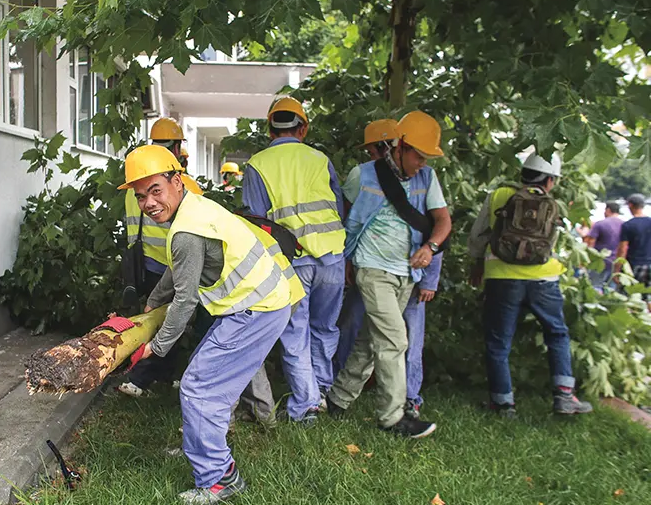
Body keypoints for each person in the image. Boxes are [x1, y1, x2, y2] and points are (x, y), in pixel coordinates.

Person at [120, 145, 298, 505]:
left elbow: (185, 300)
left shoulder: (185, 230)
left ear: (177, 180)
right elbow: (178, 269)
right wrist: (154, 302)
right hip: (255, 303)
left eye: (156, 190)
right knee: (205, 384)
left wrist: (158, 346)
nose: (149, 203)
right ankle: (201, 449)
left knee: (200, 388)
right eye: (140, 197)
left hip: (257, 308)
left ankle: (218, 480)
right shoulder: (193, 209)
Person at [326, 111, 451, 438]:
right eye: (418, 156)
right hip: (372, 268)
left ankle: (337, 400)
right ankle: (393, 417)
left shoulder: (428, 178)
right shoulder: (363, 175)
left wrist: (432, 248)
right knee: (395, 339)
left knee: (370, 341)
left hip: (406, 274)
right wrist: (348, 261)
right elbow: (345, 219)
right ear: (400, 146)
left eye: (427, 157)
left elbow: (443, 221)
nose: (421, 163)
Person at [243, 96, 346, 424]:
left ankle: (307, 406)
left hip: (292, 263)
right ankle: (323, 391)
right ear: (303, 127)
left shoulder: (258, 164)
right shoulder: (320, 158)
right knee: (325, 327)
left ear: (269, 128)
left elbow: (256, 223)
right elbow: (339, 208)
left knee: (295, 333)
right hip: (332, 257)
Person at [468, 152, 593, 417]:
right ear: (549, 180)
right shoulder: (550, 203)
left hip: (502, 279)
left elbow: (478, 234)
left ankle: (503, 405)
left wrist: (477, 263)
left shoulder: (500, 195)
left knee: (498, 343)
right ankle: (564, 396)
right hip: (543, 280)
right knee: (557, 334)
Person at [119, 118, 197, 397]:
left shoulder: (134, 183)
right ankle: (137, 379)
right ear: (176, 147)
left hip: (144, 264)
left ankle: (163, 376)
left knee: (155, 320)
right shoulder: (180, 183)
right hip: (173, 265)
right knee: (169, 322)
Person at [615, 193, 651, 310]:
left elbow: (623, 249)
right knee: (648, 297)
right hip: (649, 264)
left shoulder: (628, 225)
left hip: (633, 266)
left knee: (626, 297)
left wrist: (617, 269)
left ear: (630, 205)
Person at [584, 201, 623, 292]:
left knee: (595, 287)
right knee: (611, 290)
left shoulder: (600, 224)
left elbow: (590, 243)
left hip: (600, 262)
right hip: (617, 262)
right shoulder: (625, 225)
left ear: (608, 210)